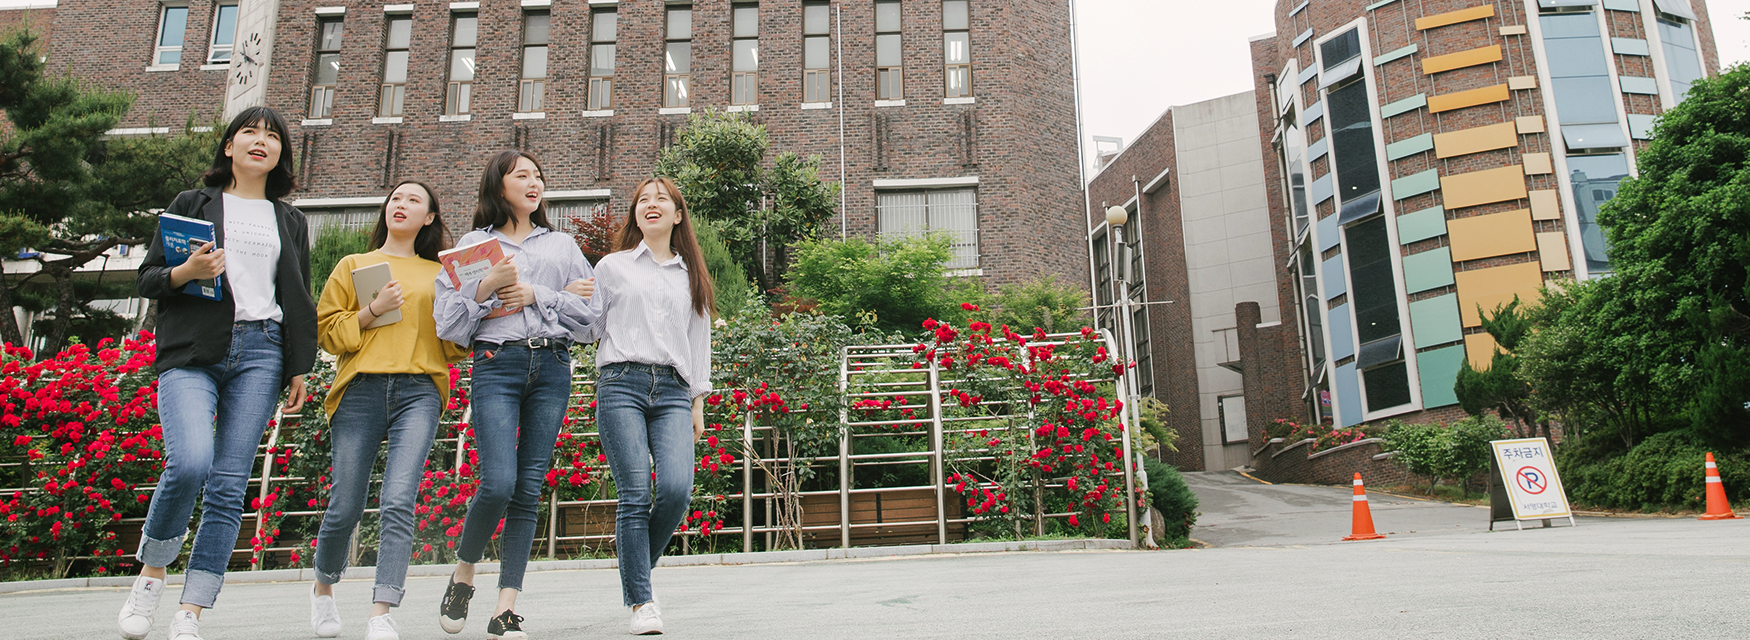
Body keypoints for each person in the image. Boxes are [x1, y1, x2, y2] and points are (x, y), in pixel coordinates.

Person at [119, 106, 317, 640]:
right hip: (193, 350)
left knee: (229, 486)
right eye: (249, 132)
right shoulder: (193, 203)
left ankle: (192, 609)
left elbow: (297, 296)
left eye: (272, 136)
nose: (260, 141)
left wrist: (299, 365)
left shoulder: (290, 219)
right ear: (229, 146)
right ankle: (152, 574)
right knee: (189, 462)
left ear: (281, 155)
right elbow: (148, 278)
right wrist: (187, 271)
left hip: (262, 351)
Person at [433, 150, 596, 640]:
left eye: (538, 175)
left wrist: (537, 295)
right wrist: (486, 285)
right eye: (521, 175)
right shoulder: (472, 247)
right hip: (496, 364)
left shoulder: (563, 245)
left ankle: (506, 608)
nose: (534, 182)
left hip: (552, 366)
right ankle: (464, 573)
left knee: (528, 488)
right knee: (498, 482)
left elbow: (591, 320)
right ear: (498, 185)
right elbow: (449, 323)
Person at [308, 181, 468, 640]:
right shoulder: (353, 265)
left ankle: (382, 610)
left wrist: (476, 305)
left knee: (398, 499)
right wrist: (371, 310)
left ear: (430, 217)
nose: (401, 204)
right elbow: (327, 334)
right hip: (360, 389)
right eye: (396, 198)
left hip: (419, 390)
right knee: (346, 503)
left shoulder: (440, 273)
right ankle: (323, 587)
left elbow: (454, 343)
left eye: (413, 200)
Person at [589, 176, 714, 636]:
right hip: (620, 383)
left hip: (674, 390)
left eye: (661, 199)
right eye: (643, 200)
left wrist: (698, 401)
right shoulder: (612, 267)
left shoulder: (691, 275)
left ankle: (636, 565)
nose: (651, 204)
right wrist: (575, 302)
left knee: (677, 489)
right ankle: (642, 601)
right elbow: (590, 330)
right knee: (636, 492)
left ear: (678, 216)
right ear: (636, 215)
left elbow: (698, 341)